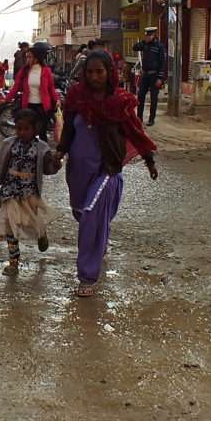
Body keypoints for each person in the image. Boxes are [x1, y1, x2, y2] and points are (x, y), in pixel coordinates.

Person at [56, 51, 158, 297]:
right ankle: (100, 241)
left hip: (106, 169)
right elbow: (69, 130)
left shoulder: (120, 102)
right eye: (89, 72)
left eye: (99, 71)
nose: (94, 77)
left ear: (109, 72)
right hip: (78, 170)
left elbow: (136, 132)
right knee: (83, 215)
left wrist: (149, 160)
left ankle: (87, 276)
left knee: (91, 215)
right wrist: (58, 153)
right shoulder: (76, 97)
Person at [0, 108, 60, 276]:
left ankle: (41, 233)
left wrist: (55, 164)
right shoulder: (9, 144)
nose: (22, 132)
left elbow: (48, 169)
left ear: (35, 129)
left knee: (29, 221)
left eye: (26, 129)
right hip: (10, 190)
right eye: (19, 128)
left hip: (29, 192)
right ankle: (13, 261)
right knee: (10, 226)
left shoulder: (42, 148)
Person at [6, 42, 56, 140]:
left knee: (42, 133)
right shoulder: (24, 71)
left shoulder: (46, 71)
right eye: (26, 57)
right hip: (28, 106)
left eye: (29, 57)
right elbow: (15, 87)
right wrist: (7, 100)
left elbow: (51, 88)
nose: (27, 59)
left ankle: (42, 153)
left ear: (36, 58)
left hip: (43, 106)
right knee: (29, 134)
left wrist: (56, 100)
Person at [133, 26, 166, 126]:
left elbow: (163, 63)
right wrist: (143, 42)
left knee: (153, 98)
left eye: (149, 35)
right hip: (145, 75)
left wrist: (160, 78)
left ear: (154, 35)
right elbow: (134, 47)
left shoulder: (159, 46)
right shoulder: (145, 45)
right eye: (146, 35)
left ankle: (151, 119)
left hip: (155, 75)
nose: (147, 37)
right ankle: (139, 118)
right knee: (140, 96)